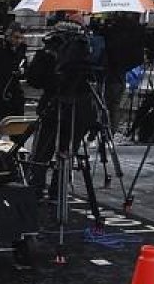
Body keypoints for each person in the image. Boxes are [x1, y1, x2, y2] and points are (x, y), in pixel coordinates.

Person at [25, 11, 104, 197]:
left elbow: (34, 79)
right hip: (75, 109)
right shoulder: (89, 47)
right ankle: (57, 191)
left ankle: (37, 189)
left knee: (44, 151)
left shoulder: (53, 46)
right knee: (66, 152)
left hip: (58, 107)